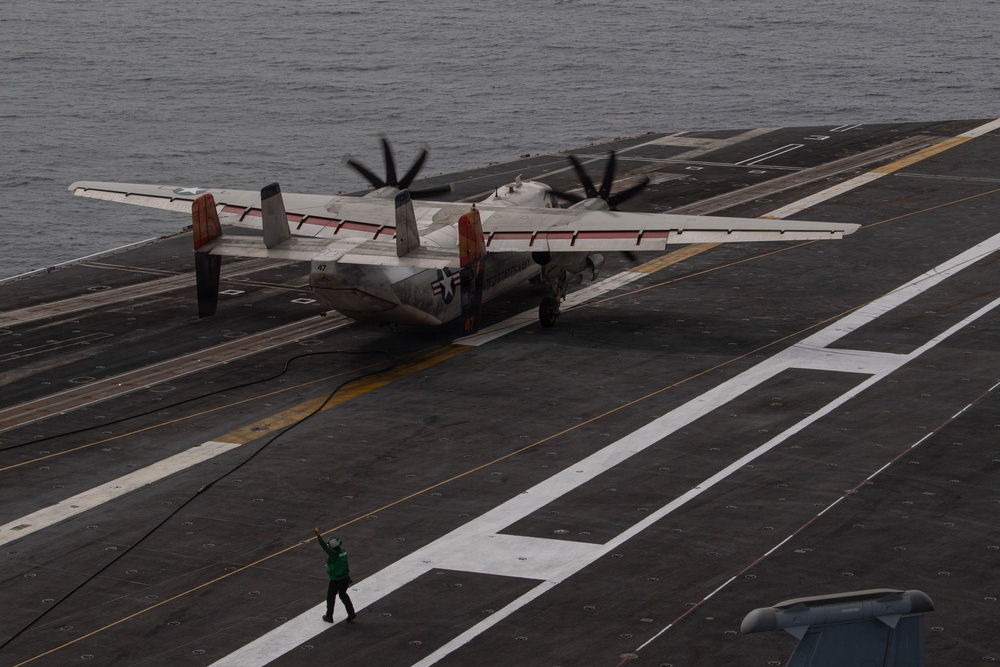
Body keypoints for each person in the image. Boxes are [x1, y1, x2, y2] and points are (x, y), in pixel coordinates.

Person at [314, 527, 356, 623]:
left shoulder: (333, 554)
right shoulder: (343, 552)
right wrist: (348, 576)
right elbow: (346, 564)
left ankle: (329, 616)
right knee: (343, 594)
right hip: (344, 578)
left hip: (336, 580)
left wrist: (318, 535)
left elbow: (324, 546)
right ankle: (351, 613)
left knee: (331, 597)